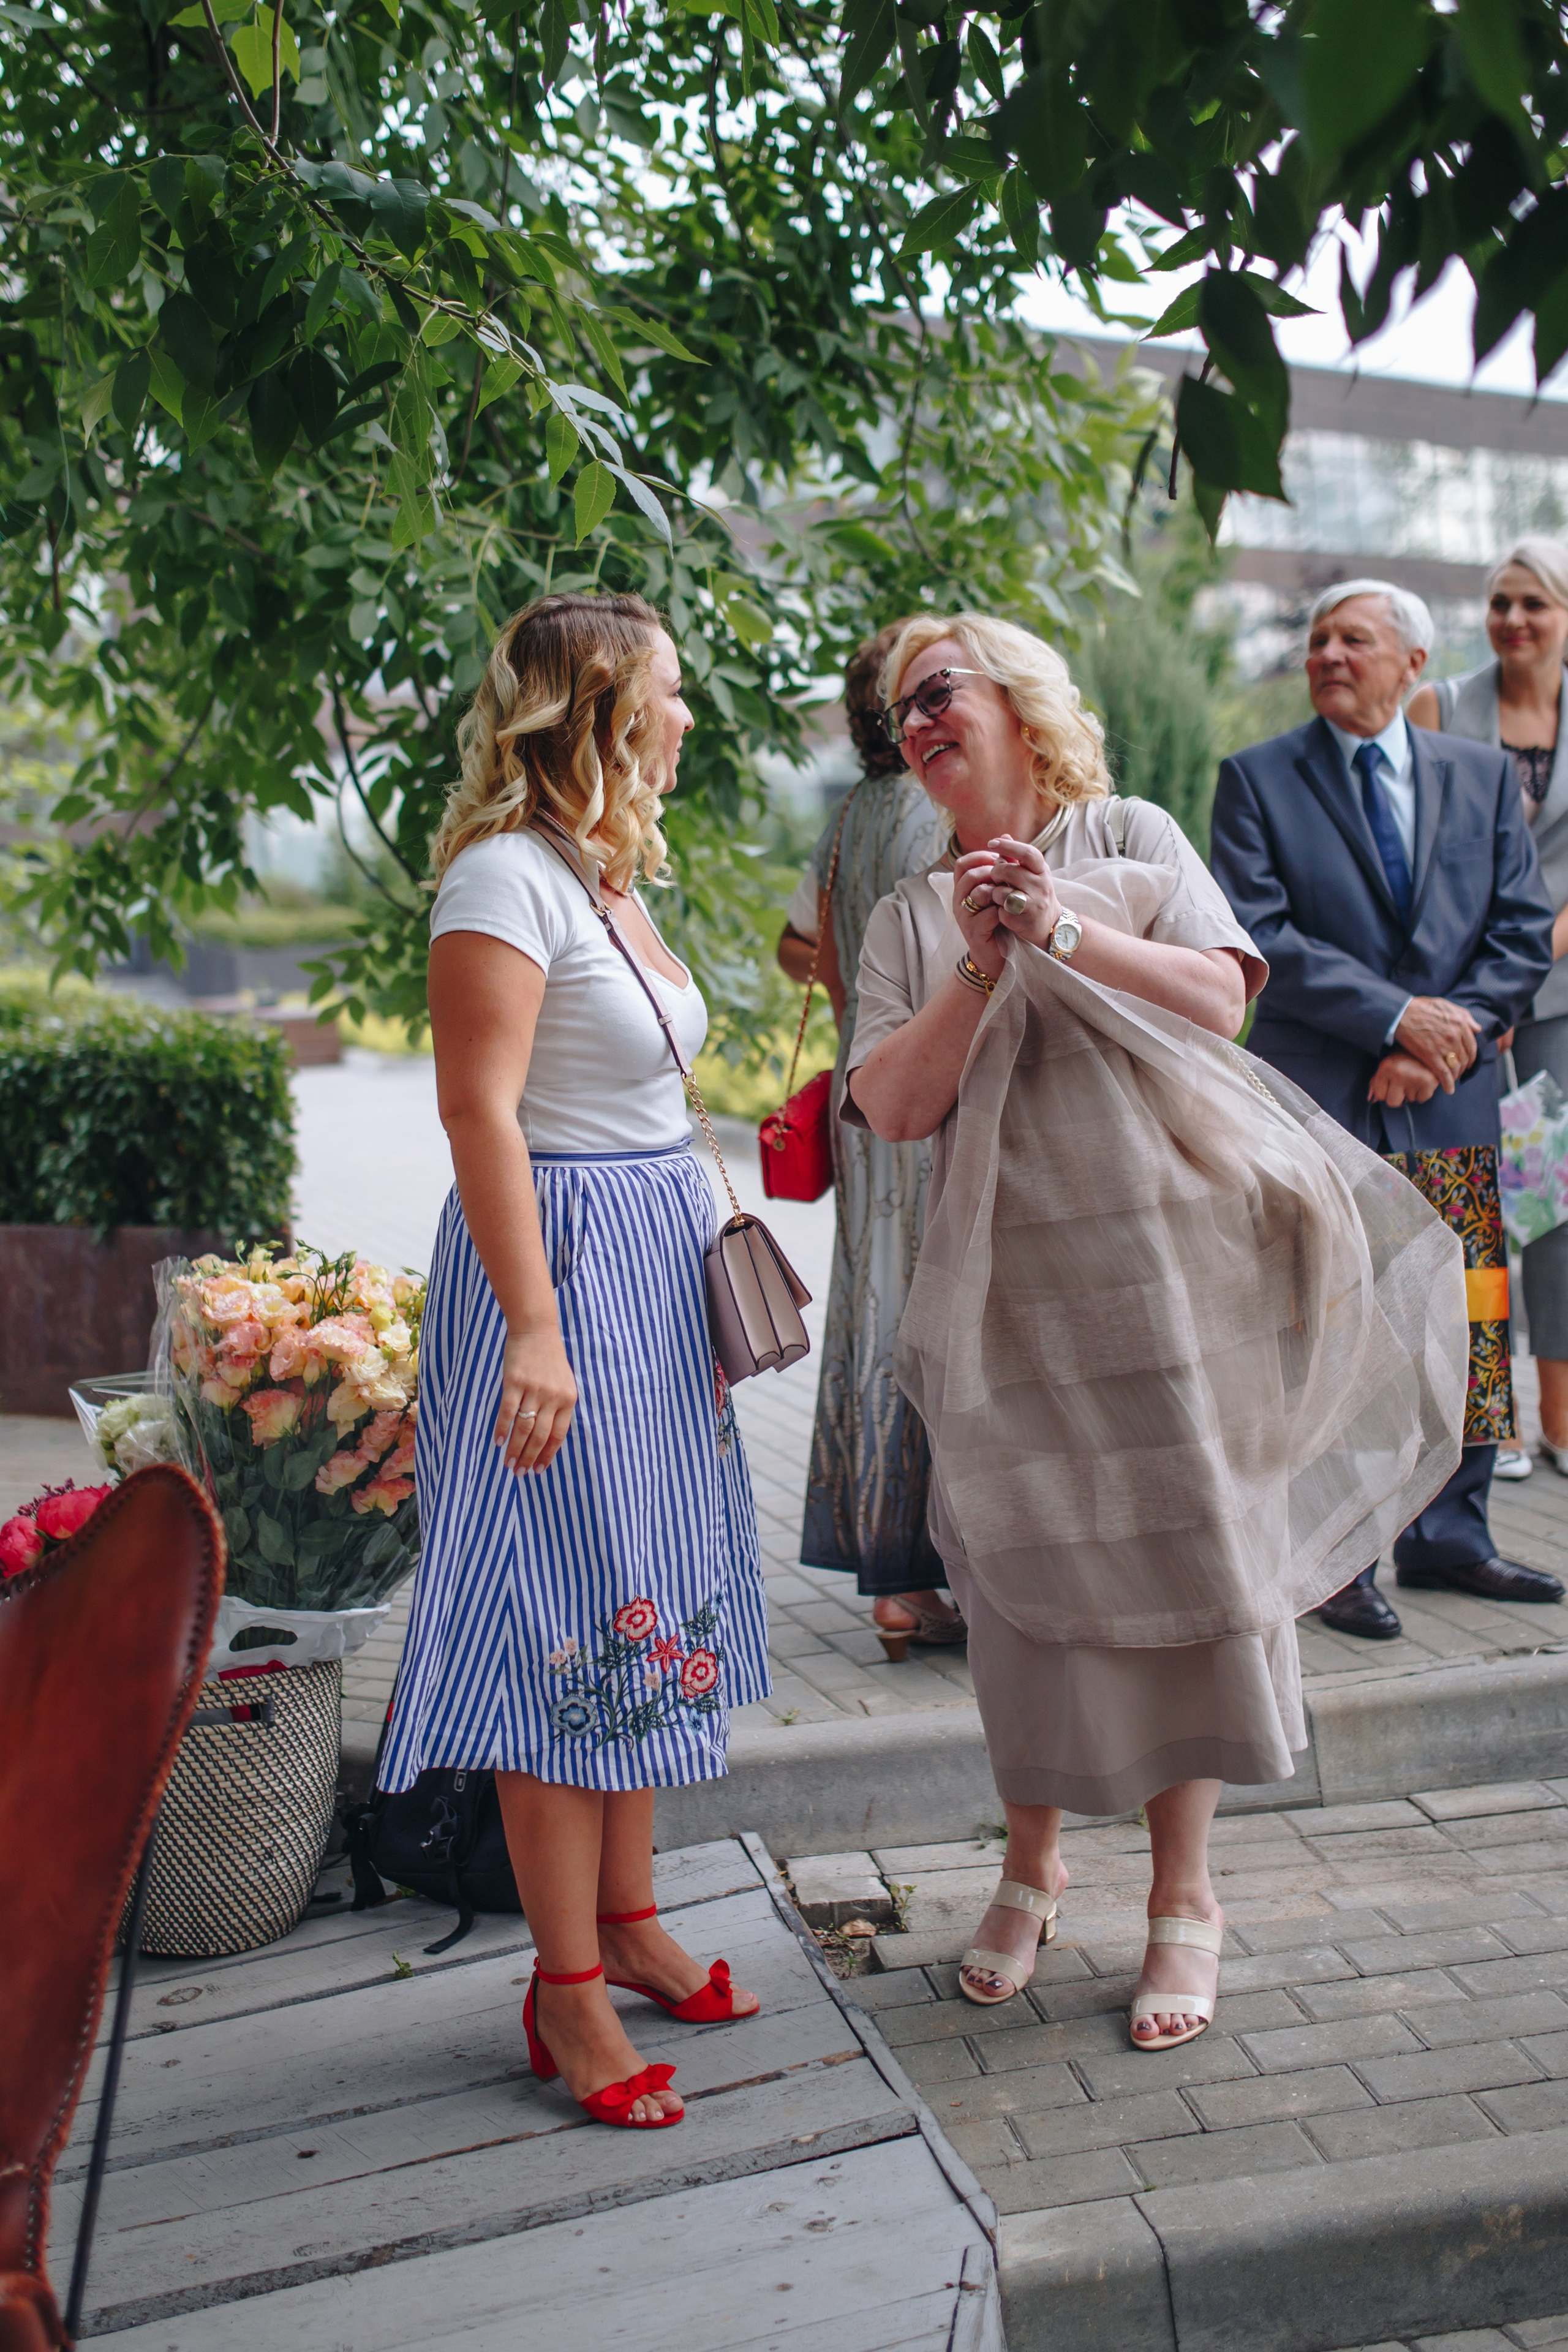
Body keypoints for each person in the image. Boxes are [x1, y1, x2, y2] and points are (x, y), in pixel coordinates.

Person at [842, 612, 1459, 2048]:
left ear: (1016, 699)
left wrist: (1059, 927)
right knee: (1016, 1584)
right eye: (896, 712)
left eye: (936, 693)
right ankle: (1030, 1869)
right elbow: (890, 1106)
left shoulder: (1127, 831)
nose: (915, 724)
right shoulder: (906, 913)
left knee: (1185, 1561)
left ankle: (1185, 1897)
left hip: (1173, 1284)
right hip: (1004, 1297)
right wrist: (980, 960)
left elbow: (1221, 1000)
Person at [379, 592, 770, 2132]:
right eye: (667, 692)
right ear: (596, 709)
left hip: (649, 1280)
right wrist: (533, 1328)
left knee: (639, 1596)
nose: (686, 716)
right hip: (556, 1278)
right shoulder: (499, 877)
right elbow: (477, 1111)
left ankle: (627, 1918)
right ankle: (564, 1989)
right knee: (560, 1625)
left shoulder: (598, 872)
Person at [1211, 578, 1561, 1641]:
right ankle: (1339, 1558)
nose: (1327, 654)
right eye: (1318, 638)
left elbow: (1520, 929)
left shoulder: (1480, 775)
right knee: (1339, 1323)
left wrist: (1443, 1042)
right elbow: (1260, 931)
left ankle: (1452, 1536)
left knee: (1469, 1316)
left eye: (1352, 639)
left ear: (1412, 663)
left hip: (1449, 1095)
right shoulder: (1257, 779)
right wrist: (1395, 1021)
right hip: (1328, 1097)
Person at [777, 624, 961, 1662]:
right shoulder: (943, 806)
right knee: (942, 1314)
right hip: (935, 1094)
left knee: (873, 1311)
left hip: (865, 1099)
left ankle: (895, 1580)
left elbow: (791, 944)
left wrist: (855, 978)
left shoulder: (848, 814)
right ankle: (927, 1565)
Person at [1409, 538, 1568, 1485]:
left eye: (1534, 604)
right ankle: (1488, 1421)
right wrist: (1475, 988)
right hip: (1454, 1000)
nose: (1513, 620)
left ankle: (1559, 1417)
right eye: (1501, 602)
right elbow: (1412, 851)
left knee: (1552, 1203)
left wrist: (1520, 969)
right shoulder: (1442, 708)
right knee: (1468, 1200)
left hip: (1553, 998)